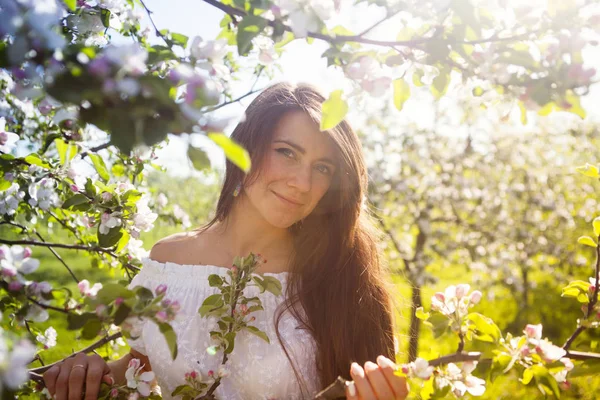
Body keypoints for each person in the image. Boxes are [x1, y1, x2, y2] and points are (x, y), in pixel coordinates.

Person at [43, 82, 409, 400]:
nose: (302, 182)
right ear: (245, 148)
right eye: (287, 152)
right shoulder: (169, 261)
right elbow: (140, 371)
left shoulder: (341, 272)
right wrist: (89, 374)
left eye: (322, 168)